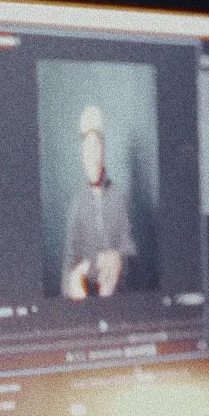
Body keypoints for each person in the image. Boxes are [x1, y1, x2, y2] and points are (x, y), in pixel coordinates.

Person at [61, 102, 134, 301]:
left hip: (119, 300)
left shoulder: (119, 198)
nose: (92, 155)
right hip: (87, 301)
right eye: (87, 149)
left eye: (96, 147)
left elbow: (131, 251)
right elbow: (69, 261)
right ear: (82, 156)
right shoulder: (76, 204)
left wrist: (118, 262)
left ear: (103, 150)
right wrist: (72, 282)